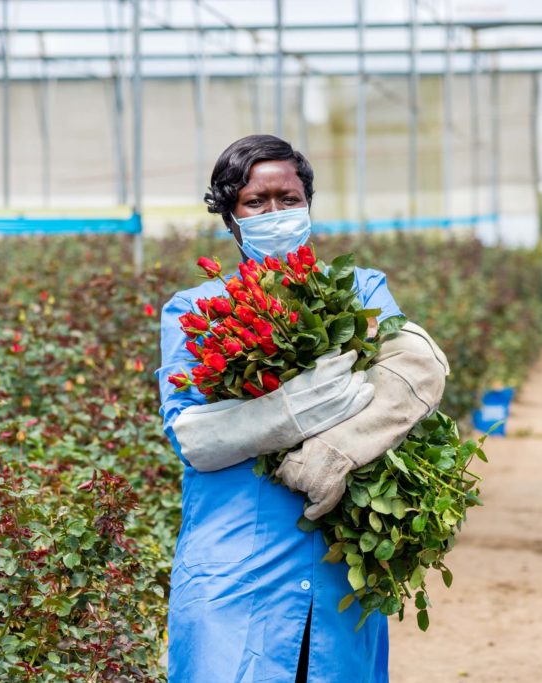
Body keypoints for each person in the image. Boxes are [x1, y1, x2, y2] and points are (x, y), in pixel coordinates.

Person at [155, 135, 450, 682]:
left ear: (308, 203)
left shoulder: (360, 290)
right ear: (230, 218)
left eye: (288, 199)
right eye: (256, 202)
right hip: (234, 562)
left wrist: (338, 449)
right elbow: (194, 438)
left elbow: (414, 370)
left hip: (339, 559)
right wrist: (302, 405)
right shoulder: (197, 312)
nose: (275, 213)